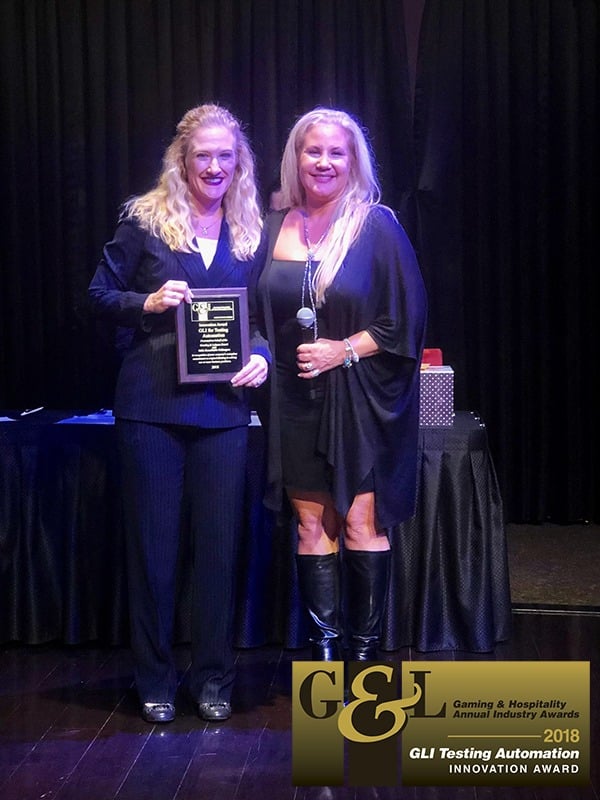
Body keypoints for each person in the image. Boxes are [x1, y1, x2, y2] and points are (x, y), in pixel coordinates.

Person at [88, 104, 269, 723]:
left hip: (224, 411)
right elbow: (97, 295)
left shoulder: (251, 229)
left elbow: (263, 321)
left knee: (218, 552)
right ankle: (155, 678)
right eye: (203, 156)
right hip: (152, 410)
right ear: (182, 160)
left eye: (225, 156)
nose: (214, 167)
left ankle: (214, 678)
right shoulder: (145, 220)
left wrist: (263, 356)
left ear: (239, 163)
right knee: (154, 553)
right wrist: (147, 301)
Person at [257, 107, 427, 662]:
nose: (324, 161)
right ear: (296, 157)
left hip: (359, 400)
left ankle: (364, 663)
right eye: (314, 151)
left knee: (359, 522)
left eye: (337, 152)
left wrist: (343, 349)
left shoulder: (377, 225)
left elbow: (405, 321)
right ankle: (326, 666)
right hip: (292, 400)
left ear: (354, 161)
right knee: (311, 526)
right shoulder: (274, 225)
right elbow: (254, 313)